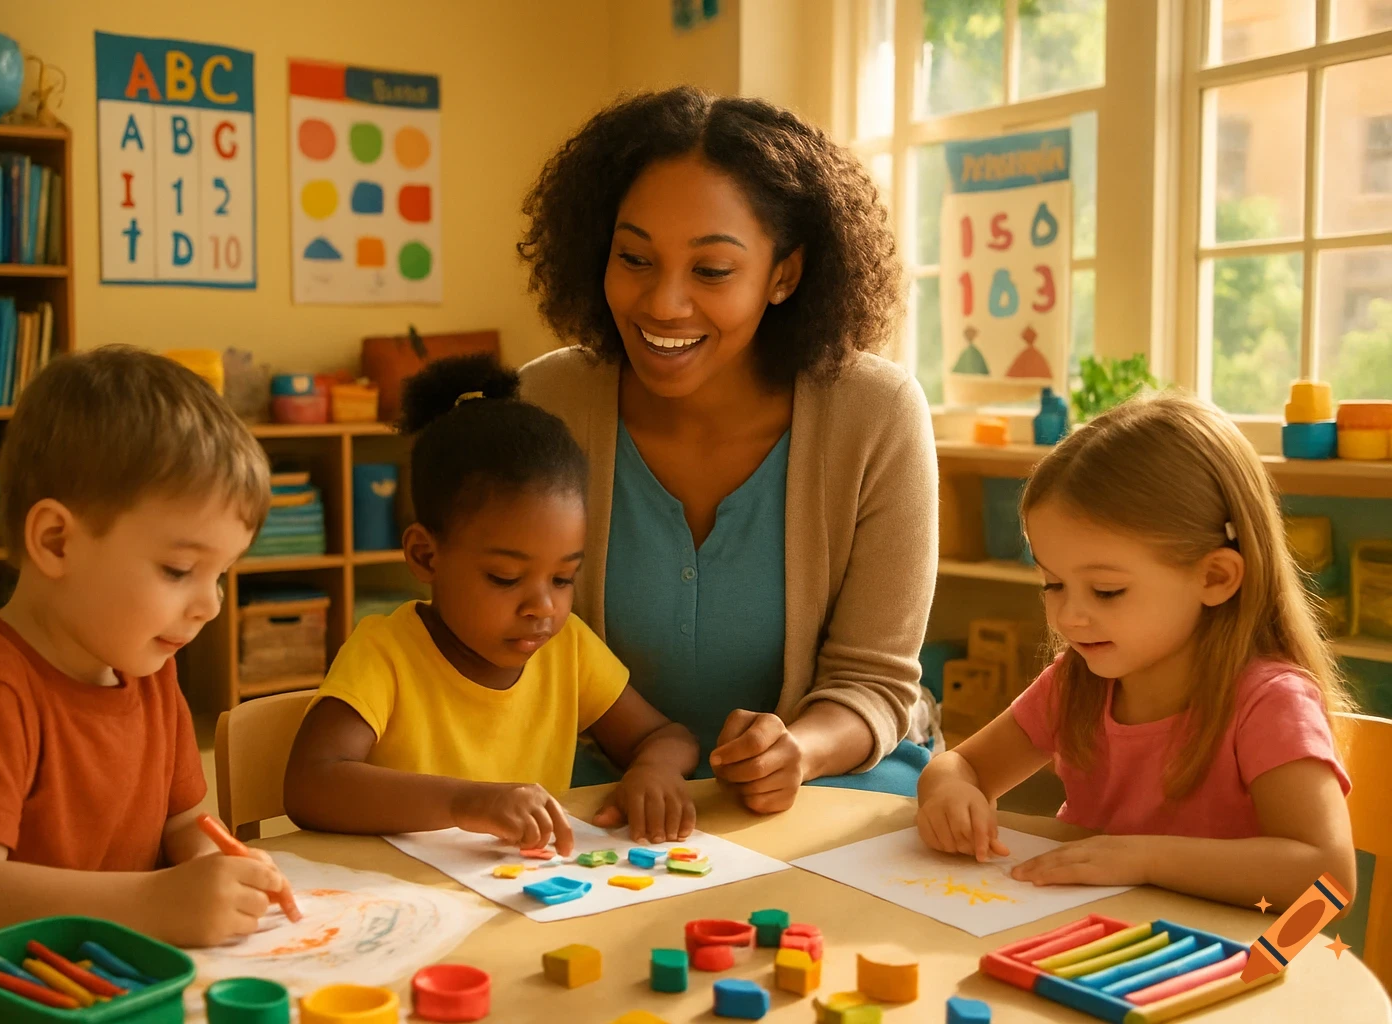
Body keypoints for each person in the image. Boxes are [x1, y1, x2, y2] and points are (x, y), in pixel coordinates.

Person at [517, 86, 938, 811]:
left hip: (825, 774)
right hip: (597, 775)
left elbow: (874, 682)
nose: (663, 304)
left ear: (785, 274)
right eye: (634, 258)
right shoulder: (544, 406)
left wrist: (796, 751)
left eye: (711, 271)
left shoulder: (877, 415)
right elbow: (501, 648)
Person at [0, 347, 282, 993]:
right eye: (180, 570)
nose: (210, 605)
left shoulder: (148, 668)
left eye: (222, 574)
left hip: (107, 988)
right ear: (56, 542)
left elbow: (185, 822)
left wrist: (218, 870)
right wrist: (159, 902)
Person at [915, 392, 1357, 912]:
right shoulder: (1077, 681)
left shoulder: (1270, 704)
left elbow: (1328, 879)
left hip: (1211, 965)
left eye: (1106, 591)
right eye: (1052, 584)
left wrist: (1141, 859)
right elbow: (961, 765)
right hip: (1076, 936)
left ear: (1215, 577)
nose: (1068, 617)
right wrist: (949, 794)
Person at [284, 355, 699, 851]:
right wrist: (466, 803)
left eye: (564, 577)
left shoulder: (566, 650)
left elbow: (667, 736)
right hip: (409, 902)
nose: (542, 606)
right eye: (505, 577)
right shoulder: (385, 653)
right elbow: (311, 784)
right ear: (425, 555)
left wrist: (654, 770)